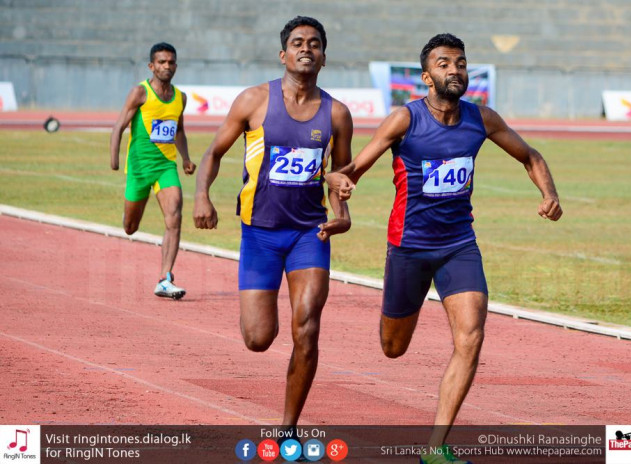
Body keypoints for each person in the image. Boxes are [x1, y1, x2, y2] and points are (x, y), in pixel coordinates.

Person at [327, 33, 563, 463]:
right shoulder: (405, 119)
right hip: (409, 247)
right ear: (426, 76)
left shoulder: (481, 119)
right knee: (392, 347)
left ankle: (435, 449)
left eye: (460, 63)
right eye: (443, 64)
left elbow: (530, 156)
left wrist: (550, 193)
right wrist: (338, 184)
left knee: (471, 337)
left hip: (459, 245)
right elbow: (351, 170)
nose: (454, 70)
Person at [193, 16, 353, 427]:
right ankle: (259, 313)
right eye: (298, 42)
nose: (306, 48)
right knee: (258, 338)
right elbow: (213, 152)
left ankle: (288, 427)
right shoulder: (253, 101)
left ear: (323, 57)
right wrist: (203, 196)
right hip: (259, 234)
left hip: (309, 233)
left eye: (314, 43)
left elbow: (341, 174)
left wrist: (342, 215)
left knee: (308, 327)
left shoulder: (337, 114)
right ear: (283, 54)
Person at [110, 42, 196, 300]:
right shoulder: (141, 92)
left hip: (165, 167)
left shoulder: (180, 97)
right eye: (161, 62)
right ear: (151, 66)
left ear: (176, 66)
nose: (166, 66)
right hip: (138, 169)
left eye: (170, 62)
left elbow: (178, 129)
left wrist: (186, 158)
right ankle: (133, 222)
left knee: (175, 215)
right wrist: (114, 158)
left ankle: (165, 278)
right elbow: (119, 125)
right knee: (130, 227)